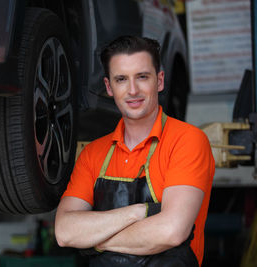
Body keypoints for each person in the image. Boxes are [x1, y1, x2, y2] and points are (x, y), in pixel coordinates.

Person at [55, 36, 215, 266]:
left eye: (142, 77)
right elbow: (64, 232)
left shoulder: (186, 140)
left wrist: (95, 241)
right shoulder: (93, 153)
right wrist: (140, 212)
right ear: (109, 87)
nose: (132, 90)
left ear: (159, 81)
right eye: (121, 79)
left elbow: (172, 231)